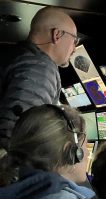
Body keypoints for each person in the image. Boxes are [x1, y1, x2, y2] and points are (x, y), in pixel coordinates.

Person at [0, 6, 78, 151]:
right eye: (74, 40)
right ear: (57, 35)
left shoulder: (17, 56)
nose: (74, 49)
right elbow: (17, 137)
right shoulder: (40, 68)